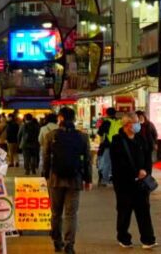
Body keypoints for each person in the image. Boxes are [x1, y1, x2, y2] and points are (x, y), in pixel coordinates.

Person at [41, 106, 92, 254]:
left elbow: (45, 158)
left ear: (61, 118)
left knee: (56, 213)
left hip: (55, 179)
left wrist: (45, 176)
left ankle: (57, 242)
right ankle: (69, 245)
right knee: (71, 214)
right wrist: (88, 179)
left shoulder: (51, 135)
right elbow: (87, 160)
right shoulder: (82, 137)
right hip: (75, 179)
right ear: (74, 119)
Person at [110, 112, 157, 249]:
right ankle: (123, 237)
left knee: (144, 210)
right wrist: (135, 172)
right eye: (135, 122)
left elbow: (148, 158)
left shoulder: (141, 139)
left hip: (141, 183)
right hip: (124, 183)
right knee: (124, 211)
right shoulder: (117, 141)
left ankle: (148, 239)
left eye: (138, 122)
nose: (138, 125)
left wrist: (146, 171)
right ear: (127, 125)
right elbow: (118, 164)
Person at [97, 107, 118, 186]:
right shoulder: (119, 122)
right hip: (118, 146)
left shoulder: (106, 122)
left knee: (106, 163)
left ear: (107, 114)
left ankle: (104, 180)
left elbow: (100, 134)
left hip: (107, 145)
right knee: (115, 163)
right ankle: (114, 179)